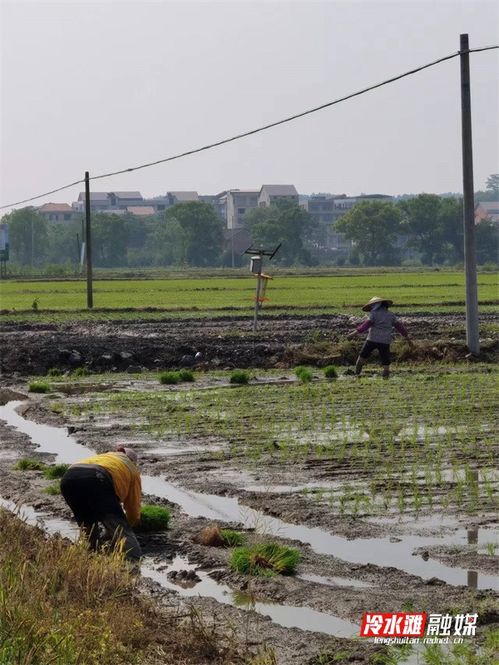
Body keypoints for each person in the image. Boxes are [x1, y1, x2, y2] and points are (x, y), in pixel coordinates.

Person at [60, 445, 142, 561]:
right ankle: (133, 563)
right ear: (132, 460)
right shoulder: (132, 469)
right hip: (97, 478)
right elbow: (133, 509)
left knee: (88, 525)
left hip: (68, 479)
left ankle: (90, 559)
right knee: (121, 530)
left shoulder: (105, 457)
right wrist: (129, 524)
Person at [347, 296, 412, 378]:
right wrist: (409, 341)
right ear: (386, 306)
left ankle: (356, 375)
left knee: (361, 359)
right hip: (385, 341)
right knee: (386, 363)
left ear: (377, 306)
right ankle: (385, 379)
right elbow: (401, 329)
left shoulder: (373, 314)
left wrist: (351, 335)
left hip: (372, 340)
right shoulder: (391, 315)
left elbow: (364, 327)